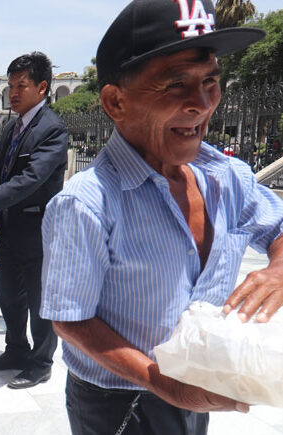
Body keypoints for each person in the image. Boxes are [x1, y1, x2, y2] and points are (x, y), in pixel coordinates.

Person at [39, 1, 281, 434]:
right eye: (175, 84)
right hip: (121, 401)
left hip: (195, 390)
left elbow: (278, 226)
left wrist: (279, 269)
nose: (202, 103)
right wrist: (164, 384)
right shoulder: (87, 202)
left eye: (210, 81)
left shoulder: (227, 177)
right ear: (115, 101)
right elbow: (71, 318)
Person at [0, 52, 68, 389]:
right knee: (9, 295)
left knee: (39, 301)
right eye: (10, 86)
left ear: (42, 87)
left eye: (21, 85)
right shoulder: (13, 126)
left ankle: (40, 362)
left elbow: (29, 180)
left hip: (37, 231)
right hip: (8, 231)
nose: (13, 93)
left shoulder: (52, 129)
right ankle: (16, 350)